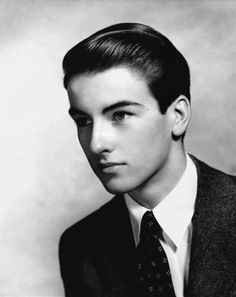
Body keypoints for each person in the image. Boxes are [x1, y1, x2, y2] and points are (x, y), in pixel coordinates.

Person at [59, 23, 236, 297]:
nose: (96, 143)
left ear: (177, 115)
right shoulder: (80, 247)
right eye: (83, 121)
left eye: (120, 115)